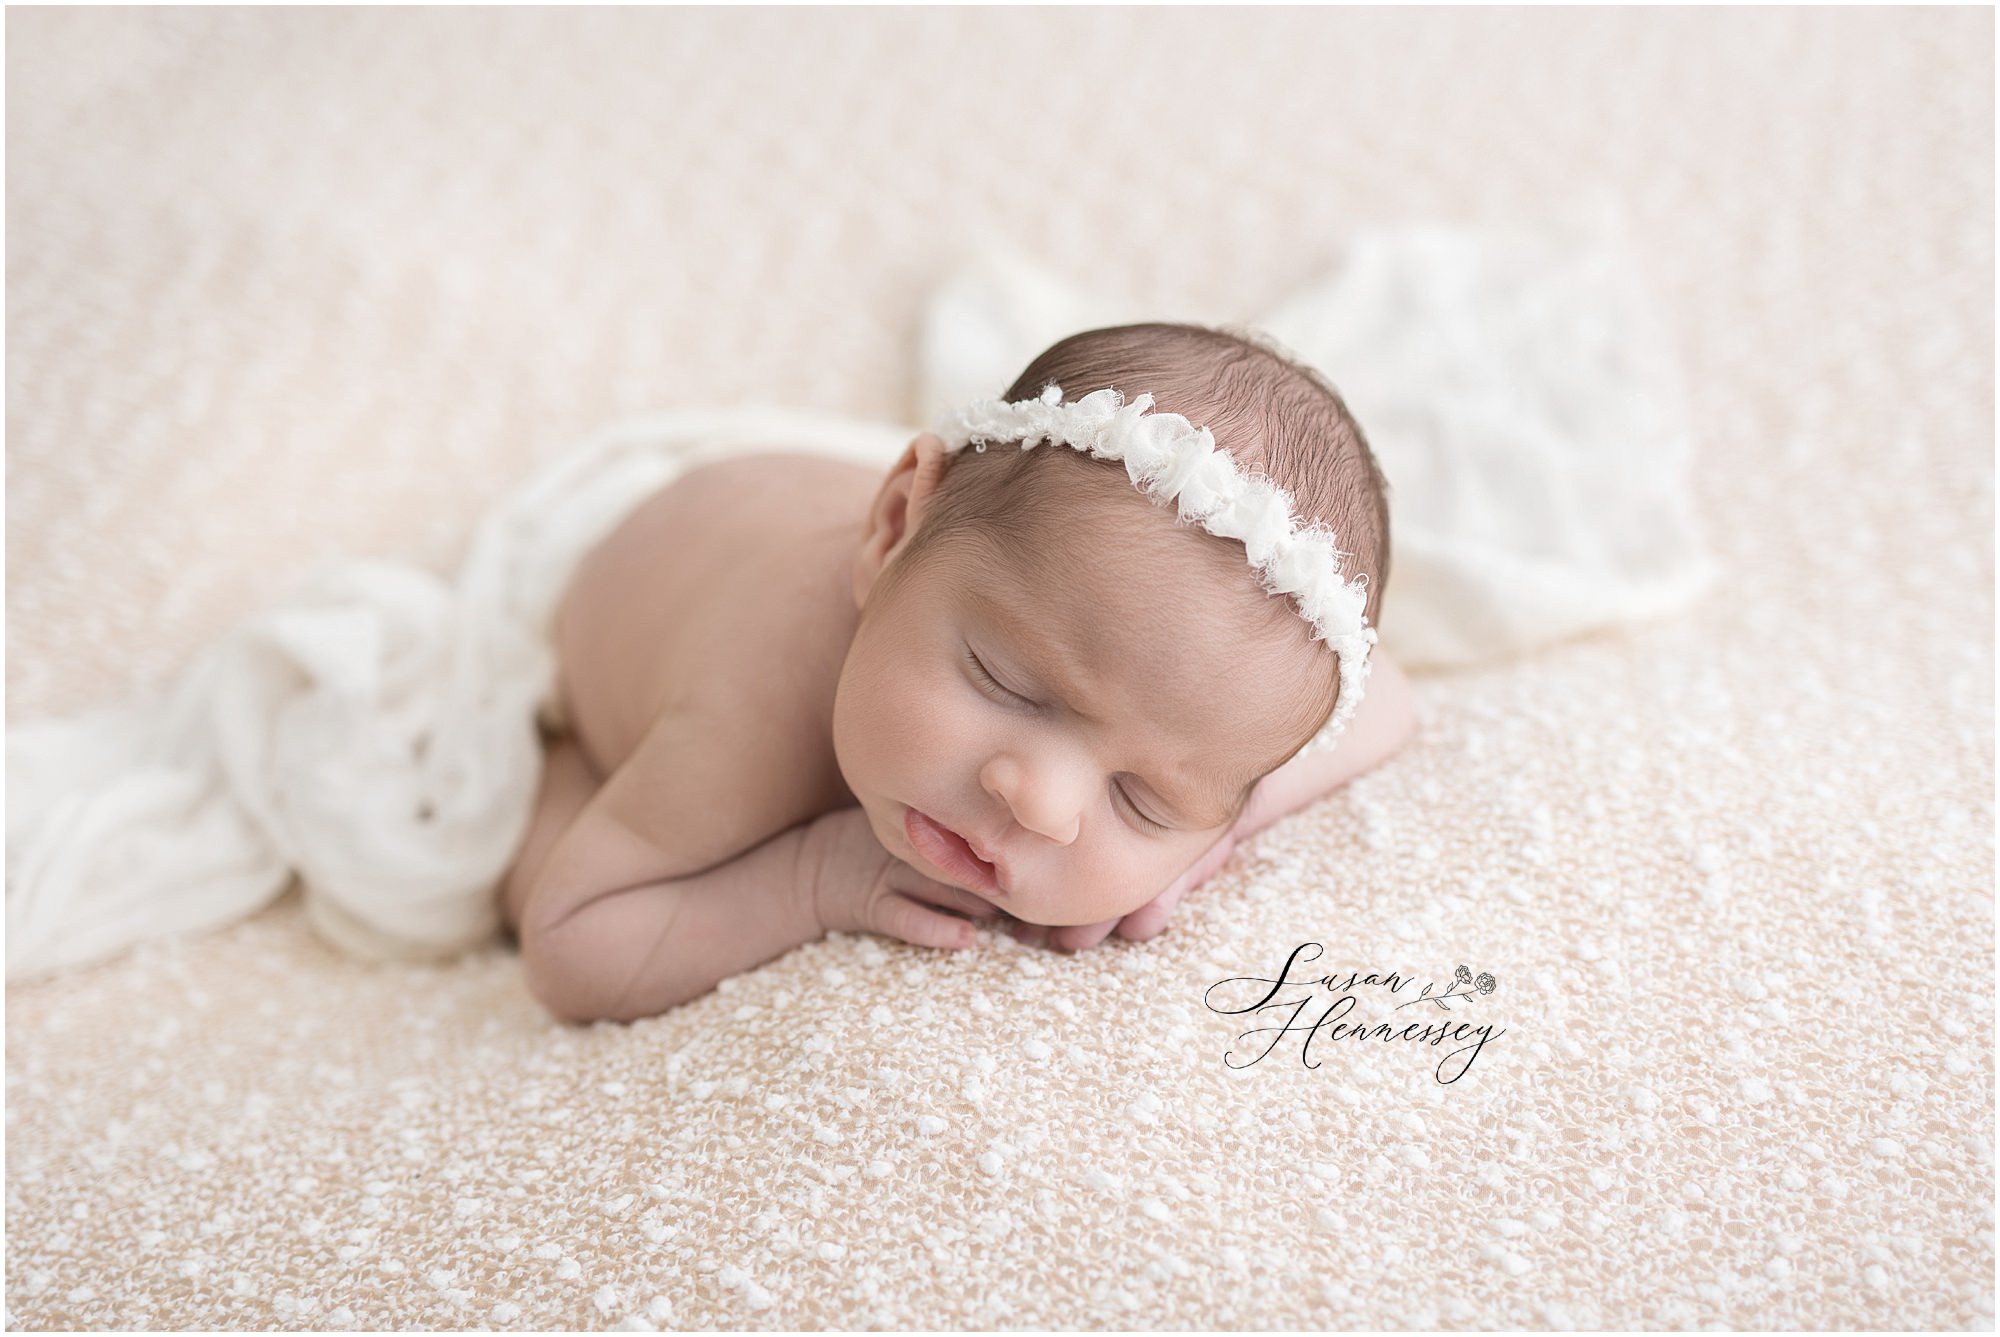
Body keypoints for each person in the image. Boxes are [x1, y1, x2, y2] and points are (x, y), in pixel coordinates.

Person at [501, 322, 1418, 1024]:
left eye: (1141, 797)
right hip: (655, 559)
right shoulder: (754, 704)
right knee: (522, 862)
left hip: (940, 540)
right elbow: (570, 942)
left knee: (1022, 556)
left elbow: (1389, 700)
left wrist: (1204, 837)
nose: (1042, 805)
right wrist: (812, 877)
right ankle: (569, 757)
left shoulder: (1181, 686)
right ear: (895, 525)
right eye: (1006, 683)